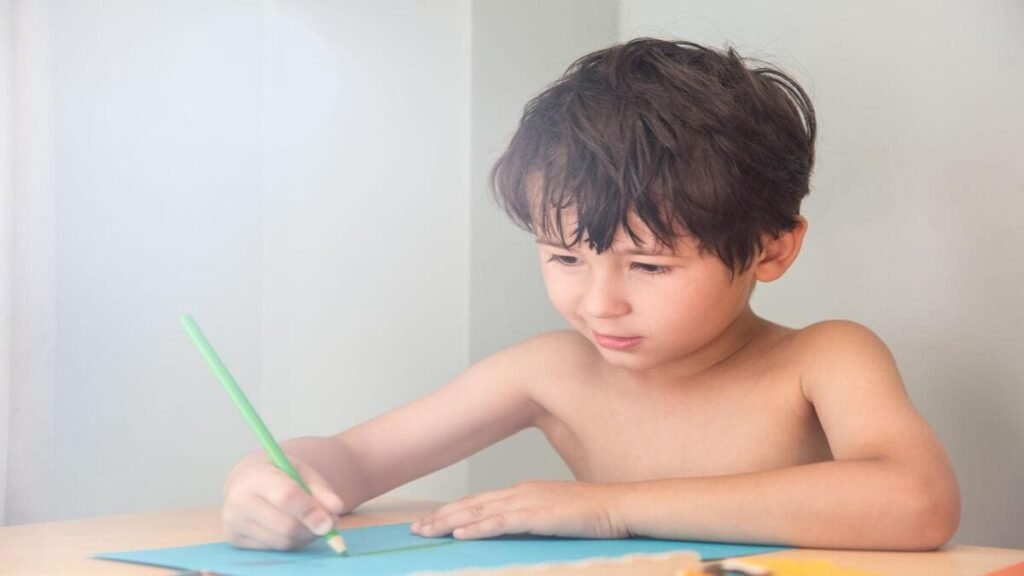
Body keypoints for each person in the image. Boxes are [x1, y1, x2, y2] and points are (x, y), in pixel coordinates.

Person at [221, 38, 960, 552]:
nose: (600, 303)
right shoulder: (554, 373)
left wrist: (607, 508)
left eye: (651, 267)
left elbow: (917, 502)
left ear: (773, 248)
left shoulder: (824, 359)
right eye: (565, 256)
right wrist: (274, 481)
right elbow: (352, 457)